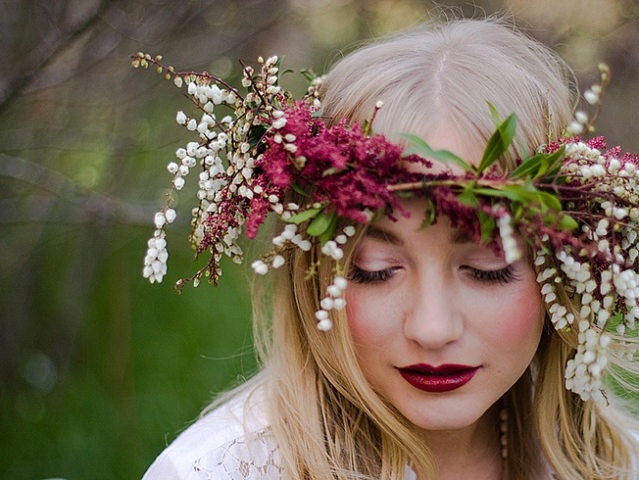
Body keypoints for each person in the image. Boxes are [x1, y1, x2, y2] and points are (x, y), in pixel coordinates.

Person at [139, 17, 639, 480]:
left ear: (566, 271)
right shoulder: (217, 471)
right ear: (311, 270)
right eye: (374, 269)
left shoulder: (618, 463)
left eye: (488, 269)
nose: (432, 328)